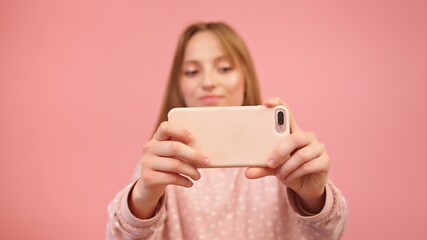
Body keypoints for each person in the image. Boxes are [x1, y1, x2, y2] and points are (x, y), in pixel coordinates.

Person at [106, 21, 347, 240]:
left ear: (245, 78)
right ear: (179, 85)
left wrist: (315, 198)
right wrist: (143, 198)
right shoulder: (161, 163)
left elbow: (329, 234)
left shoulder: (284, 156)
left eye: (224, 68)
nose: (208, 81)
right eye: (191, 71)